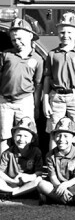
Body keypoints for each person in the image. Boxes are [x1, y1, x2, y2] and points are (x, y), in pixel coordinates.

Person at [42, 11, 75, 152]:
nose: (65, 35)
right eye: (62, 32)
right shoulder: (52, 54)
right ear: (58, 33)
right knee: (54, 132)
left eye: (69, 32)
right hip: (57, 96)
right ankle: (53, 168)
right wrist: (45, 102)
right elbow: (47, 79)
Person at [0, 18, 43, 154]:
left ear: (30, 36)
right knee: (4, 135)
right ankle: (3, 165)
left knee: (26, 134)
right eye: (14, 40)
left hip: (25, 101)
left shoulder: (37, 59)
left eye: (20, 38)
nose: (17, 43)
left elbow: (38, 84)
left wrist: (36, 106)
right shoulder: (6, 55)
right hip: (4, 101)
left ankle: (25, 164)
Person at [37, 117, 75, 207]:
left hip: (71, 184)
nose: (61, 139)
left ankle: (51, 199)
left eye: (66, 136)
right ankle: (72, 200)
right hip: (56, 185)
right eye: (58, 135)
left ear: (74, 138)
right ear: (53, 137)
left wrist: (65, 185)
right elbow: (52, 177)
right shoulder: (50, 155)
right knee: (41, 185)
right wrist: (60, 187)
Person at [0, 117, 43, 199]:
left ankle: (12, 194)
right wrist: (11, 181)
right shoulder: (7, 153)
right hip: (11, 183)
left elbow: (39, 172)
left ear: (33, 139)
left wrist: (29, 177)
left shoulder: (36, 152)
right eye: (18, 135)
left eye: (26, 136)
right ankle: (18, 192)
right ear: (13, 136)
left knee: (39, 180)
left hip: (28, 182)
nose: (21, 139)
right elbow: (0, 172)